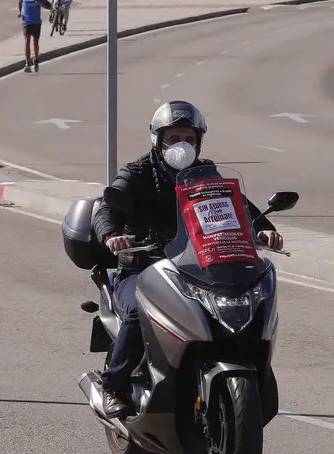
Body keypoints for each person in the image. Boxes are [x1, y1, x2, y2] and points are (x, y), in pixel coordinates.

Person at [91, 100, 285, 419]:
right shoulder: (138, 173)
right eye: (173, 138)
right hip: (142, 266)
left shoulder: (205, 172)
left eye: (189, 139)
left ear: (198, 142)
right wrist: (111, 234)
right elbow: (107, 208)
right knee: (143, 311)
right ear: (158, 139)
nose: (182, 146)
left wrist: (261, 230)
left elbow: (235, 206)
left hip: (191, 268)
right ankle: (113, 384)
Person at [16, 0, 51, 73]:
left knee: (35, 43)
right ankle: (27, 64)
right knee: (27, 41)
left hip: (36, 22)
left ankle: (36, 60)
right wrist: (20, 12)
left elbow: (50, 7)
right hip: (26, 22)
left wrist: (40, 4)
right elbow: (20, 2)